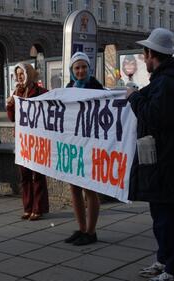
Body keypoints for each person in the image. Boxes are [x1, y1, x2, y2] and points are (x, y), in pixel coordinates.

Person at [126, 28, 174, 281]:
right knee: (161, 216)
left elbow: (155, 117)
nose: (143, 58)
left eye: (145, 53)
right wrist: (140, 95)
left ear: (153, 54)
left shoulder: (166, 83)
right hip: (163, 162)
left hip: (166, 163)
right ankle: (166, 260)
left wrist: (133, 98)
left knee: (167, 219)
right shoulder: (166, 80)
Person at [63, 52, 104, 246]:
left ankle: (91, 231)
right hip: (73, 144)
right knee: (74, 188)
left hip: (90, 145)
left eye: (84, 67)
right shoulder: (68, 88)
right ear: (72, 71)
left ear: (89, 68)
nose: (80, 71)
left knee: (90, 189)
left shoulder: (96, 87)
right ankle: (81, 228)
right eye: (77, 68)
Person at [6, 63, 49, 221]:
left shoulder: (40, 91)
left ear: (29, 74)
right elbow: (12, 118)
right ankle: (28, 206)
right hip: (23, 140)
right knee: (24, 175)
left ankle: (39, 207)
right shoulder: (17, 92)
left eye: (22, 74)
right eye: (17, 75)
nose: (19, 77)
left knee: (37, 175)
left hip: (37, 139)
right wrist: (10, 104)